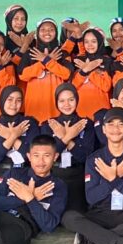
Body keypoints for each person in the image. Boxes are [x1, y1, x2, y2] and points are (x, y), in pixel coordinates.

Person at [64, 108, 123, 244]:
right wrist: (112, 179)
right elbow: (91, 198)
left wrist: (114, 178)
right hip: (101, 213)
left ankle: (93, 238)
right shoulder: (94, 159)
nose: (116, 129)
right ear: (104, 130)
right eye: (111, 124)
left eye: (121, 124)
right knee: (69, 217)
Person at [41, 83, 95, 213]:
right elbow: (47, 157)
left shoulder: (86, 124)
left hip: (78, 175)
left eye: (71, 100)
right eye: (62, 101)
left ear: (77, 100)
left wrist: (67, 139)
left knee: (76, 215)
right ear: (56, 102)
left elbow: (85, 157)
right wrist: (66, 138)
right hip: (54, 175)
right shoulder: (48, 124)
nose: (67, 104)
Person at [18, 18, 74, 122]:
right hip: (34, 110)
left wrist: (46, 60)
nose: (47, 32)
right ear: (37, 33)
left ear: (56, 32)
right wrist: (43, 63)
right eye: (43, 29)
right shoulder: (30, 53)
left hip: (57, 111)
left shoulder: (62, 53)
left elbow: (67, 74)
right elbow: (23, 75)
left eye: (51, 29)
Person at [0, 86, 39, 186]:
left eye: (18, 100)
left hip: (25, 174)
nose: (14, 104)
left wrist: (10, 136)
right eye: (10, 99)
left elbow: (34, 155)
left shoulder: (29, 124)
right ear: (2, 100)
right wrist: (13, 137)